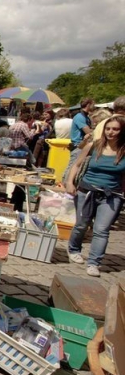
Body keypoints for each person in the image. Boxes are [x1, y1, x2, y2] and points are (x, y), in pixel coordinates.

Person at [65, 115, 125, 277]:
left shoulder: (123, 151)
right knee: (81, 225)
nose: (111, 132)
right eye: (108, 128)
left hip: (112, 195)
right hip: (87, 191)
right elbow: (76, 165)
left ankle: (94, 263)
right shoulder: (93, 146)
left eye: (115, 129)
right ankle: (74, 249)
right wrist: (70, 182)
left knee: (101, 229)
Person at [64, 97, 96, 184]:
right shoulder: (79, 117)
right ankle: (65, 185)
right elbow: (88, 132)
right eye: (93, 104)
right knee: (72, 168)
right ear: (88, 105)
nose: (94, 106)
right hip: (78, 146)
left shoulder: (86, 117)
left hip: (83, 145)